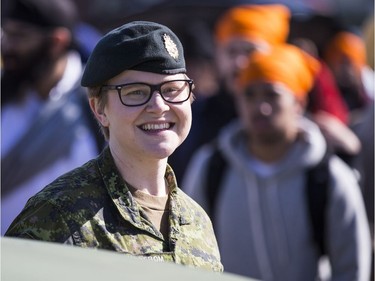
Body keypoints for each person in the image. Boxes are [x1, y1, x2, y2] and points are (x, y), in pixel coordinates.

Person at [5, 20, 224, 272]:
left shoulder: (196, 221)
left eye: (172, 89)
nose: (159, 106)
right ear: (99, 109)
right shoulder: (57, 214)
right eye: (136, 92)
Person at [183, 44, 371, 280]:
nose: (260, 107)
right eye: (249, 95)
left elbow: (351, 268)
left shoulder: (330, 177)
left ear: (299, 103)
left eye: (272, 94)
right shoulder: (210, 167)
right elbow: (188, 253)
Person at [1, 0, 103, 235]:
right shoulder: (5, 93)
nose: (7, 47)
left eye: (20, 37)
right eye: (6, 34)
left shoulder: (99, 103)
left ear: (57, 42)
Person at [169, 3, 291, 180]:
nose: (239, 63)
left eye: (251, 51)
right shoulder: (192, 117)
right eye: (231, 52)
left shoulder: (295, 124)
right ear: (218, 55)